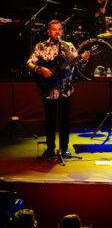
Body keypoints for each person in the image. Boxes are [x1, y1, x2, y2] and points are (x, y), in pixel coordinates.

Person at [26, 19, 90, 158]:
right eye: (54, 29)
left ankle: (64, 148)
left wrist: (83, 59)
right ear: (49, 31)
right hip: (48, 88)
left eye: (59, 29)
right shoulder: (41, 46)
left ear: (62, 31)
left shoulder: (68, 46)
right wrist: (39, 69)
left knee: (65, 119)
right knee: (50, 119)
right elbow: (29, 63)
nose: (57, 32)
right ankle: (50, 148)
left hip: (65, 88)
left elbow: (77, 63)